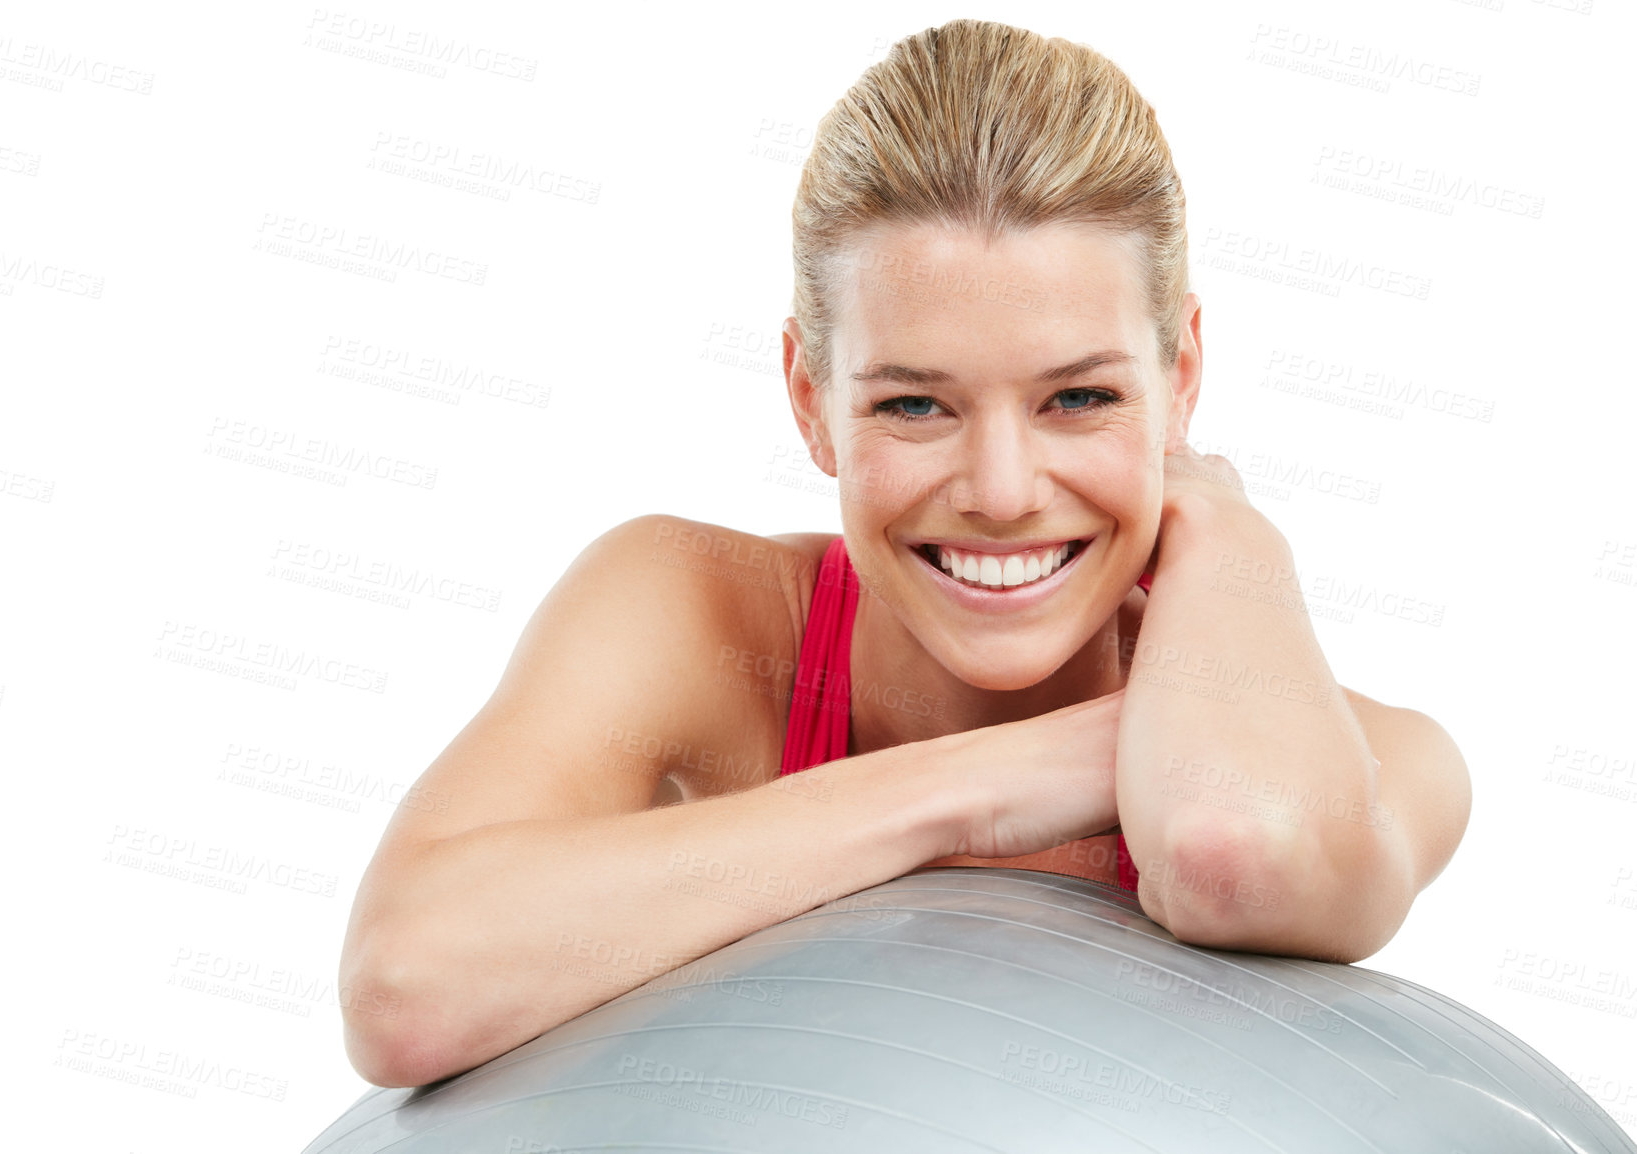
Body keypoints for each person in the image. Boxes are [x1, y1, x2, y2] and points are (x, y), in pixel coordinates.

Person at [336, 18, 1471, 1089]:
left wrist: (1228, 522)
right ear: (809, 398)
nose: (999, 490)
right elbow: (405, 984)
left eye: (1080, 396)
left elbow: (1235, 851)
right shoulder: (692, 609)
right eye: (916, 405)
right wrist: (989, 789)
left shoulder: (1371, 758)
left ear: (1179, 378)